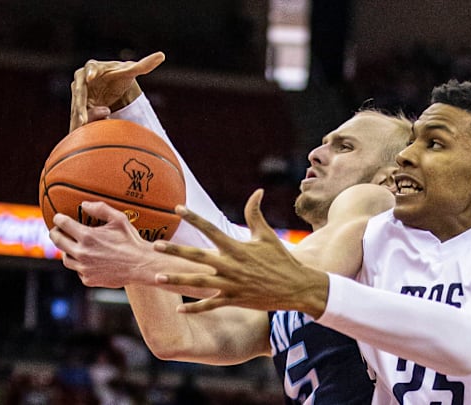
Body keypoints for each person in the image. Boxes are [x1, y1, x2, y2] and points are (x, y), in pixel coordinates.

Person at [152, 80, 471, 404]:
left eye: (345, 147)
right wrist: (138, 236)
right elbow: (183, 330)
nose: (315, 156)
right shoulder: (389, 246)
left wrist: (137, 136)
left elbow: (467, 340)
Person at [50, 52, 412, 404]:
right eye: (322, 144)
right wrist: (119, 175)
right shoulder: (298, 277)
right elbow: (176, 335)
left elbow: (281, 271)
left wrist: (141, 261)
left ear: (388, 179)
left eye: (345, 148)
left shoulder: (381, 217)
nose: (315, 155)